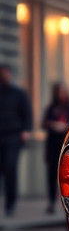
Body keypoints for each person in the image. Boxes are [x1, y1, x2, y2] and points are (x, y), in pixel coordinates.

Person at [0, 64, 32, 218]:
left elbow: (27, 114)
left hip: (13, 137)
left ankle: (10, 203)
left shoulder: (19, 93)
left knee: (10, 168)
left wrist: (25, 131)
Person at [42, 83, 69, 213]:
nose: (60, 95)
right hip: (53, 146)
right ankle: (51, 201)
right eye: (58, 92)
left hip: (66, 145)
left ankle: (67, 203)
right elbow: (44, 123)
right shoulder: (51, 108)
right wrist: (52, 124)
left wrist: (65, 127)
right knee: (51, 175)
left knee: (67, 177)